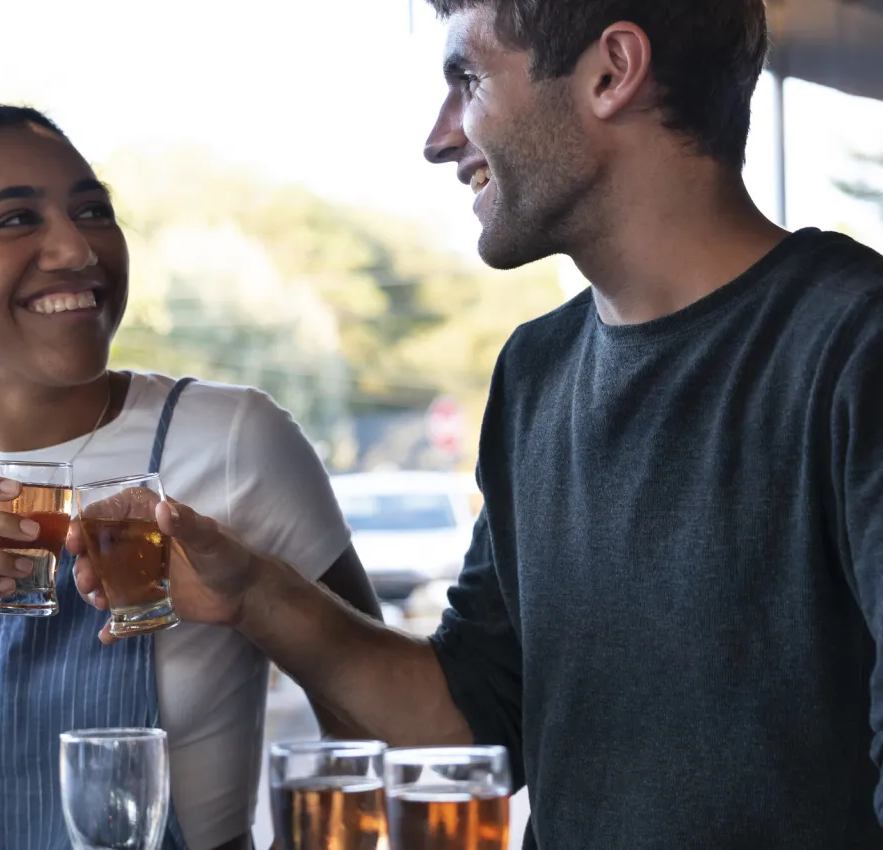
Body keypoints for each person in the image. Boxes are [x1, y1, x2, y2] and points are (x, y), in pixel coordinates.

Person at [74, 1, 883, 848]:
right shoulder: (535, 372)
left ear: (612, 72)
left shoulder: (854, 348)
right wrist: (252, 593)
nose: (438, 138)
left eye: (467, 78)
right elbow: (470, 727)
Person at [0, 105, 380, 850]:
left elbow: (371, 721)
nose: (76, 247)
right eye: (16, 220)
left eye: (93, 211)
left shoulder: (237, 440)